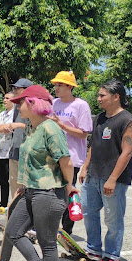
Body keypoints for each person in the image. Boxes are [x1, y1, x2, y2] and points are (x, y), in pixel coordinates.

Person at [5, 85, 77, 261]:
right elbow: (32, 161)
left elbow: (65, 161)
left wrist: (69, 186)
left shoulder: (50, 129)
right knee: (13, 232)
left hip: (49, 192)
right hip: (31, 191)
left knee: (47, 243)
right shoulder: (31, 127)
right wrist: (24, 184)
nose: (18, 106)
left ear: (34, 103)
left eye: (21, 102)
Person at [79, 80, 132, 261]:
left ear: (116, 96)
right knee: (89, 212)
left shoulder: (128, 121)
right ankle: (94, 248)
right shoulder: (98, 119)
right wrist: (85, 167)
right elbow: (93, 145)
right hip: (93, 175)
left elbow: (126, 152)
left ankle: (112, 254)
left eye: (102, 95)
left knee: (113, 219)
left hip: (114, 179)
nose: (98, 98)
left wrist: (112, 179)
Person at [49, 71, 92, 235]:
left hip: (71, 158)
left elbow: (83, 133)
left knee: (68, 194)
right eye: (55, 85)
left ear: (70, 86)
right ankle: (51, 228)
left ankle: (66, 231)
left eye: (60, 85)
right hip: (53, 156)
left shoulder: (81, 105)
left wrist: (62, 125)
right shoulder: (54, 103)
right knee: (51, 194)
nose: (56, 88)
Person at [0, 78, 33, 203]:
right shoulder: (17, 107)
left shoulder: (34, 105)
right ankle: (13, 218)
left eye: (17, 88)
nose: (14, 91)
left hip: (28, 151)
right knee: (15, 189)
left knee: (28, 190)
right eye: (14, 88)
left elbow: (37, 127)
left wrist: (18, 125)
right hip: (14, 151)